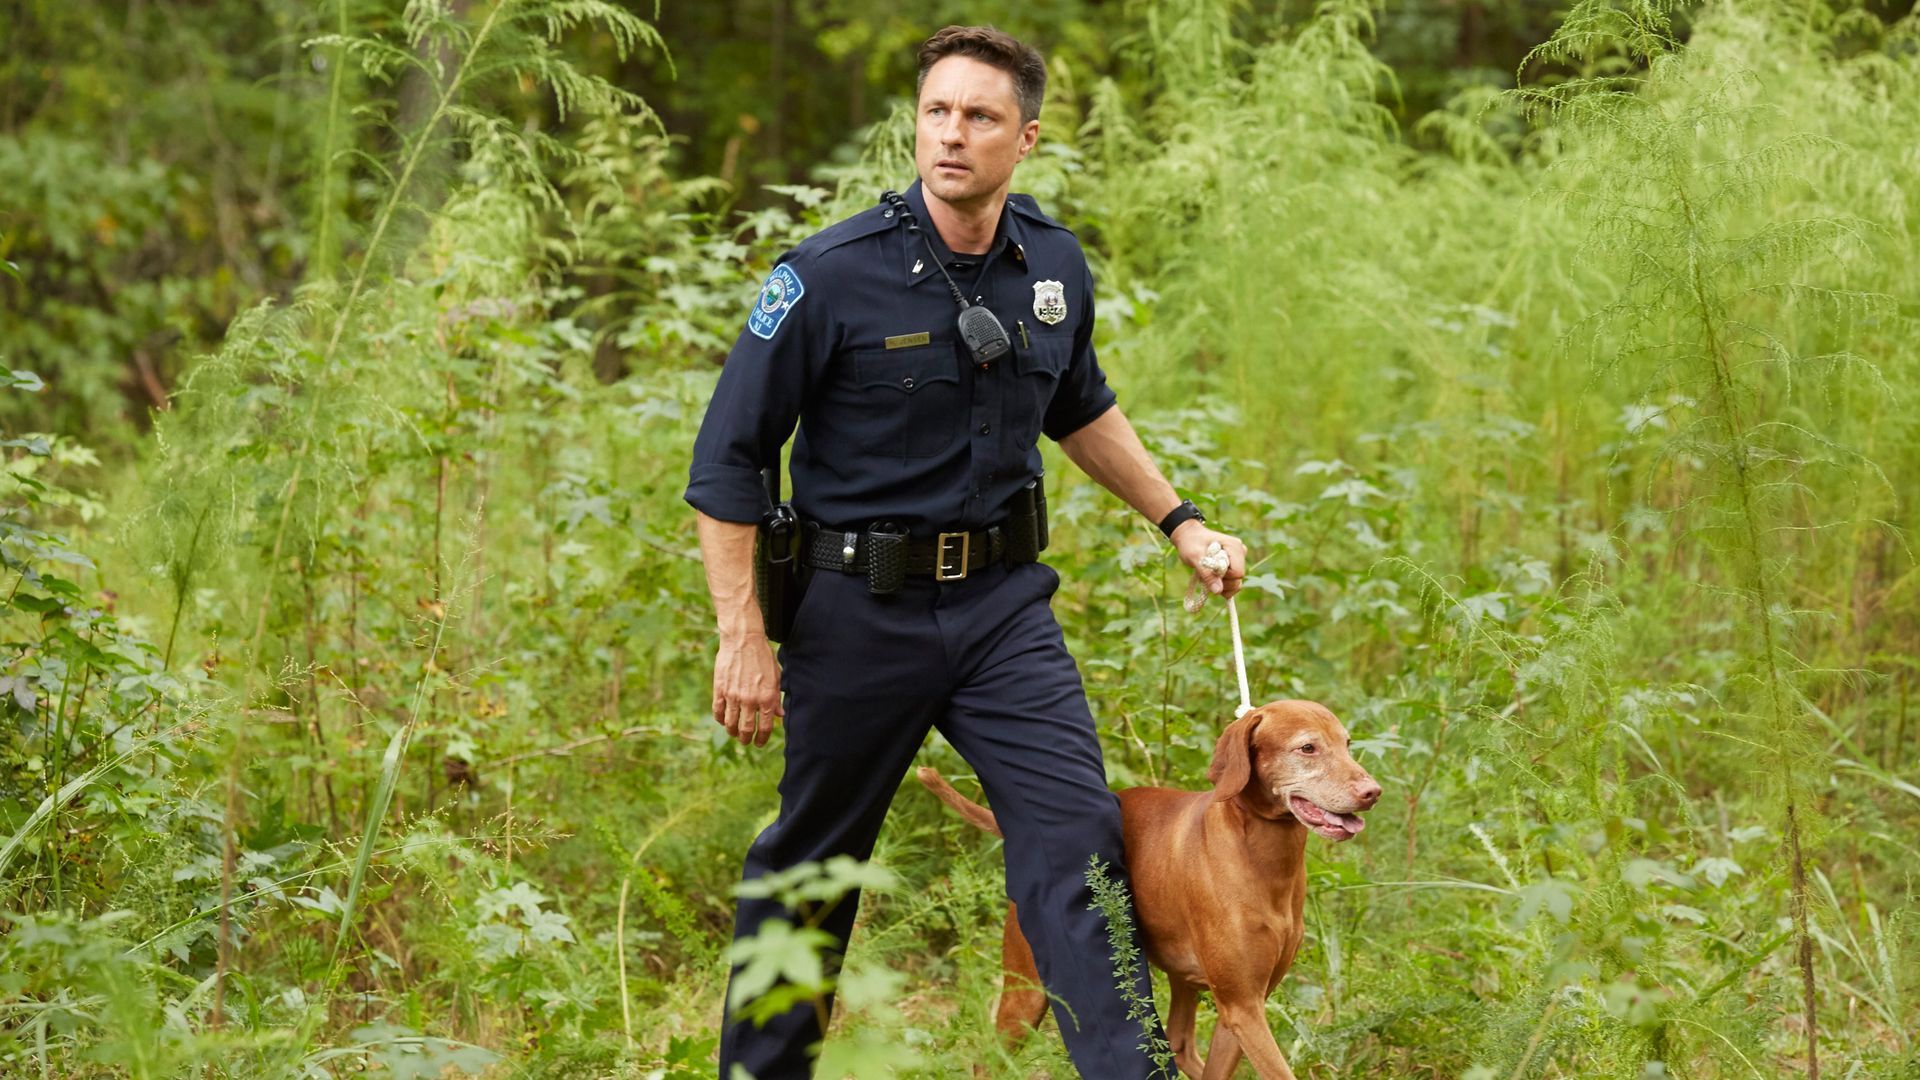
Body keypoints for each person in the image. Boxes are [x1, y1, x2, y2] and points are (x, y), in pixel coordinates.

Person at [684, 25, 1248, 1080]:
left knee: (1078, 842)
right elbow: (729, 466)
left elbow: (1080, 407)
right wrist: (742, 635)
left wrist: (1181, 522)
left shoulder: (1053, 264)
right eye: (937, 111)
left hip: (1000, 612)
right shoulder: (827, 278)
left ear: (1025, 138)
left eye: (980, 117)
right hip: (855, 613)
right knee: (812, 864)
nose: (953, 134)